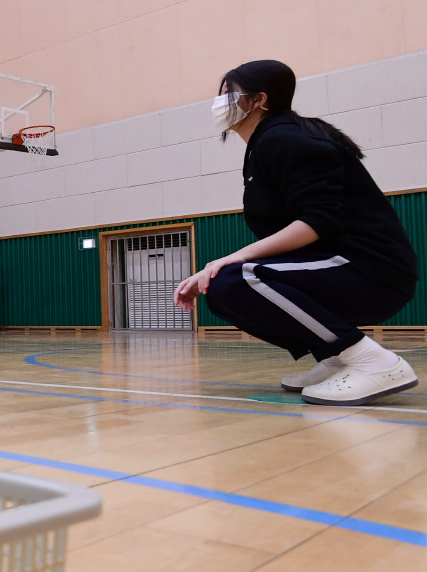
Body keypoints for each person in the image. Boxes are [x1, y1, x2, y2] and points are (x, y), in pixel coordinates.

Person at [175, 60, 419, 406]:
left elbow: (321, 221)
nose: (221, 101)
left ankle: (374, 362)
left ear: (259, 99)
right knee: (222, 285)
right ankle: (335, 358)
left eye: (229, 92)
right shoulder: (267, 142)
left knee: (235, 279)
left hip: (368, 270)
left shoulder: (285, 138)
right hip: (338, 267)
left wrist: (233, 257)